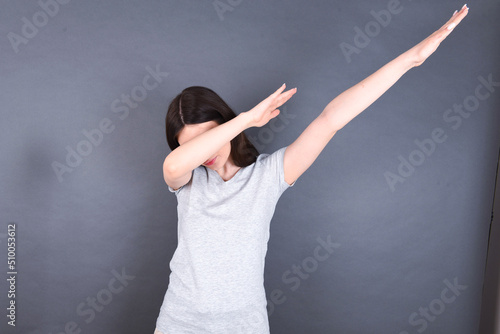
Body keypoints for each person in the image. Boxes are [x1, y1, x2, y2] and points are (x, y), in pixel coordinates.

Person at [154, 5, 469, 333]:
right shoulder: (187, 180)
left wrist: (412, 58)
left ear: (225, 125)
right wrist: (246, 119)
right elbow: (174, 163)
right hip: (181, 323)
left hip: (243, 325)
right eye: (190, 145)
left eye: (210, 136)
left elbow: (331, 119)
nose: (203, 153)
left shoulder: (268, 176)